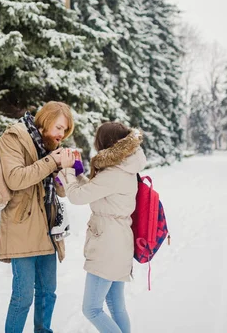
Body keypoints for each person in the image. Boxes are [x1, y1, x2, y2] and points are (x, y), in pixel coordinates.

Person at [58, 122, 147, 333]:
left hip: (109, 244)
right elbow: (94, 190)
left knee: (91, 309)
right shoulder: (124, 167)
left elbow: (78, 196)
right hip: (118, 241)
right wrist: (79, 173)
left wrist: (68, 171)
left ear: (106, 143)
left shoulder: (114, 173)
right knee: (116, 307)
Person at [0, 101, 75, 333]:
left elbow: (61, 191)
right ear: (46, 120)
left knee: (47, 293)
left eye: (65, 130)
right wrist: (53, 160)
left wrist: (66, 168)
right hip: (22, 226)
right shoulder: (14, 137)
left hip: (48, 227)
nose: (62, 134)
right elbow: (15, 178)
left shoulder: (51, 146)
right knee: (22, 297)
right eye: (59, 128)